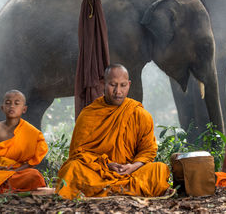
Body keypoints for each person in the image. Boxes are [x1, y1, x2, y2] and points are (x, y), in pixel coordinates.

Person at [57, 64, 170, 199]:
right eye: (113, 85)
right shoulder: (89, 114)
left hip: (130, 172)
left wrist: (133, 166)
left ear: (129, 84)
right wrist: (107, 164)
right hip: (98, 171)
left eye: (123, 85)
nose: (118, 91)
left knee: (159, 169)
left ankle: (106, 190)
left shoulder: (139, 113)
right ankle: (124, 189)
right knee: (71, 168)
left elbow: (148, 150)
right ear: (103, 84)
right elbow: (78, 153)